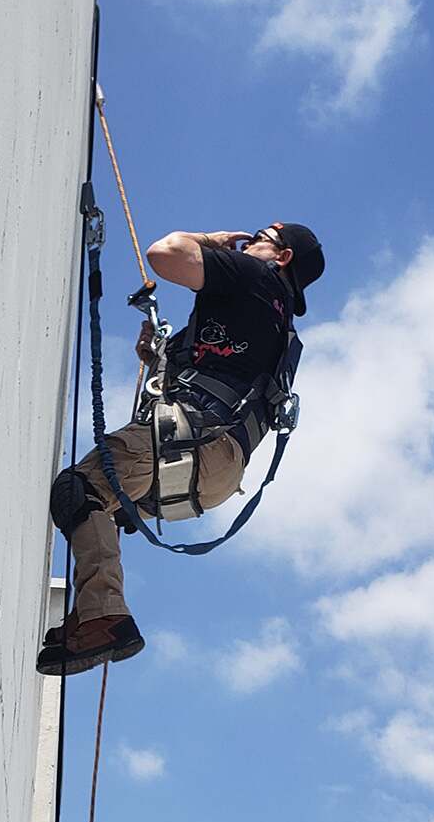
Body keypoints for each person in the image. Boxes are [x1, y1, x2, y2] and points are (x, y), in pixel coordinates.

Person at [36, 222, 325, 676]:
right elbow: (228, 369)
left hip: (194, 432)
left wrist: (210, 239)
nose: (247, 243)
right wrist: (160, 357)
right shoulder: (279, 323)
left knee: (79, 490)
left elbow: (165, 253)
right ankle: (89, 617)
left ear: (282, 257)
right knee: (101, 512)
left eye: (259, 237)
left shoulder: (254, 275)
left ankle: (102, 616)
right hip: (220, 467)